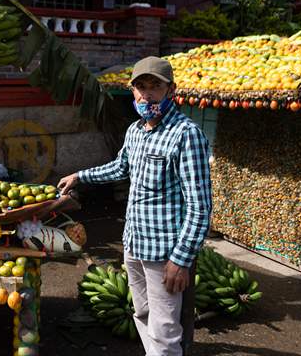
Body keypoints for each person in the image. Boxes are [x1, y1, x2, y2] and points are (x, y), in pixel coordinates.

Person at [58, 56, 212, 356]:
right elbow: (119, 169)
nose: (147, 94)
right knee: (141, 313)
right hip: (134, 244)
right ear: (133, 92)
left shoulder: (185, 135)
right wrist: (79, 176)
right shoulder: (135, 131)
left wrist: (180, 260)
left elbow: (200, 207)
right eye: (140, 87)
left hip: (164, 253)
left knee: (166, 330)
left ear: (171, 90)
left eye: (155, 86)